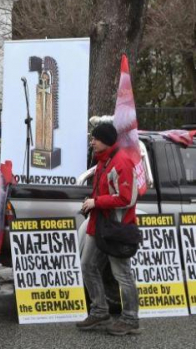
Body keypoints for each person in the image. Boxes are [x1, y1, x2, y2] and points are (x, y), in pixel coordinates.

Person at [77, 123, 140, 336]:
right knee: (88, 266)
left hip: (116, 229)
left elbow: (127, 198)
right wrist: (92, 202)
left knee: (122, 274)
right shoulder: (104, 161)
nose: (92, 142)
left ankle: (130, 319)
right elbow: (106, 193)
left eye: (95, 138)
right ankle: (100, 311)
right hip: (100, 225)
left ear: (106, 140)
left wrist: (97, 202)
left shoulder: (121, 162)